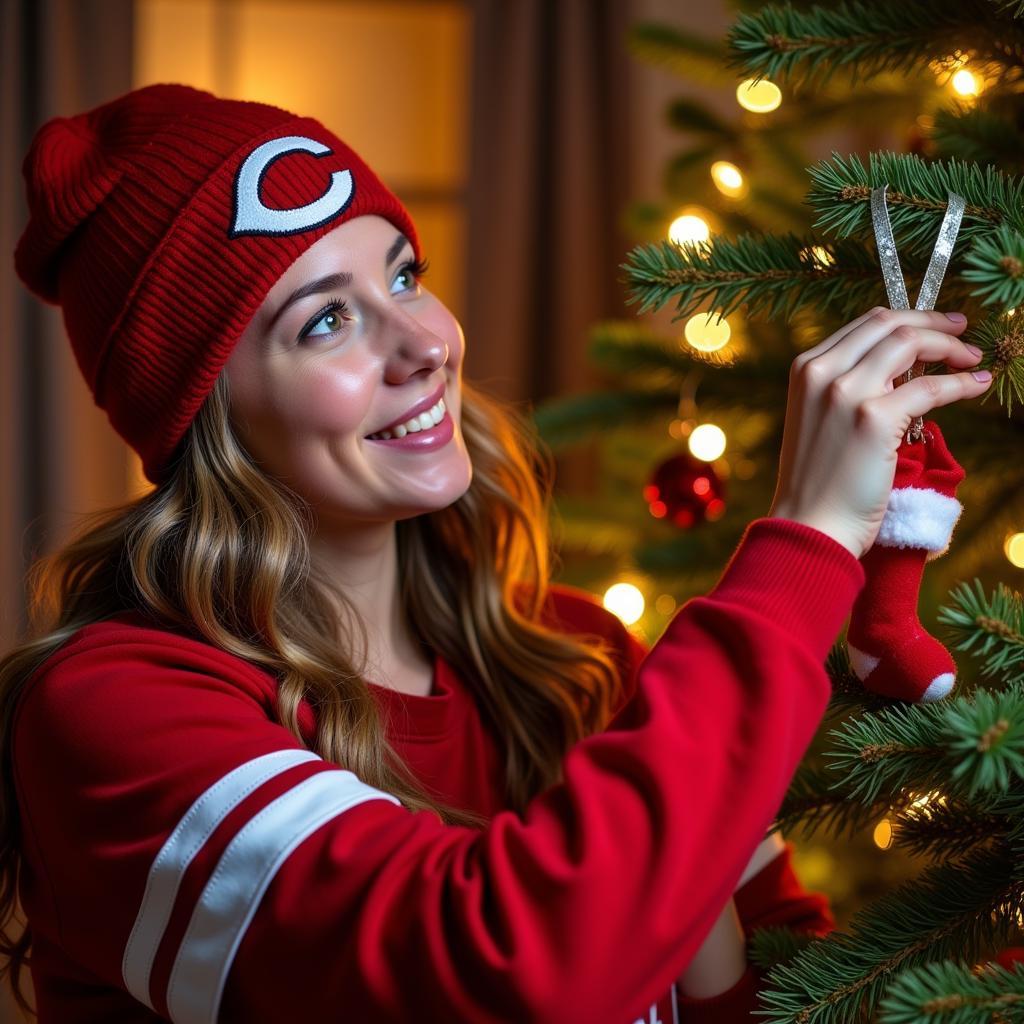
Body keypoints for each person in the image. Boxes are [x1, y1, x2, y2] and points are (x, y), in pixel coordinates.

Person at [0, 83, 990, 1024]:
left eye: (402, 276)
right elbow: (505, 978)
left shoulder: (577, 658)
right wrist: (807, 541)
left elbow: (788, 988)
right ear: (203, 411)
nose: (424, 343)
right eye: (327, 321)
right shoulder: (115, 713)